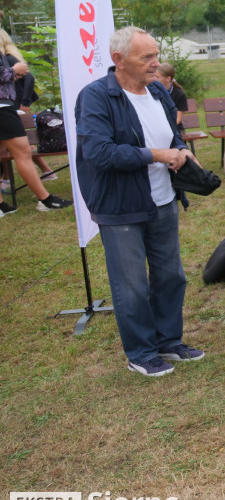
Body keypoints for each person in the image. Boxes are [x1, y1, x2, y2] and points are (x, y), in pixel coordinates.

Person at [75, 27, 204, 376]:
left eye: (156, 55)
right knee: (131, 285)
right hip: (120, 206)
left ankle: (168, 341)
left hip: (163, 200)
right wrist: (157, 154)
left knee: (170, 277)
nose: (155, 63)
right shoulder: (97, 96)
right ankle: (141, 352)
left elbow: (172, 135)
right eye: (146, 57)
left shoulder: (158, 93)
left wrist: (179, 150)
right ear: (118, 60)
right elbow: (99, 152)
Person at [0, 30, 71, 216]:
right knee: (23, 152)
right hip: (2, 107)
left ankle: (1, 205)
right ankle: (45, 199)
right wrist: (14, 71)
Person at [0, 27, 55, 185]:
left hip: (12, 105)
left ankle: (45, 171)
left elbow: (28, 77)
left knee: (20, 147)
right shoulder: (8, 56)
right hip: (10, 104)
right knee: (16, 146)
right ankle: (6, 180)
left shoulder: (8, 58)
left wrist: (25, 103)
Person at [155, 62, 188, 134]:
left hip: (175, 129)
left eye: (157, 77)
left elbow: (177, 120)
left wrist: (162, 129)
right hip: (157, 128)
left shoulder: (179, 94)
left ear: (168, 78)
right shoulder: (153, 91)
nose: (154, 79)